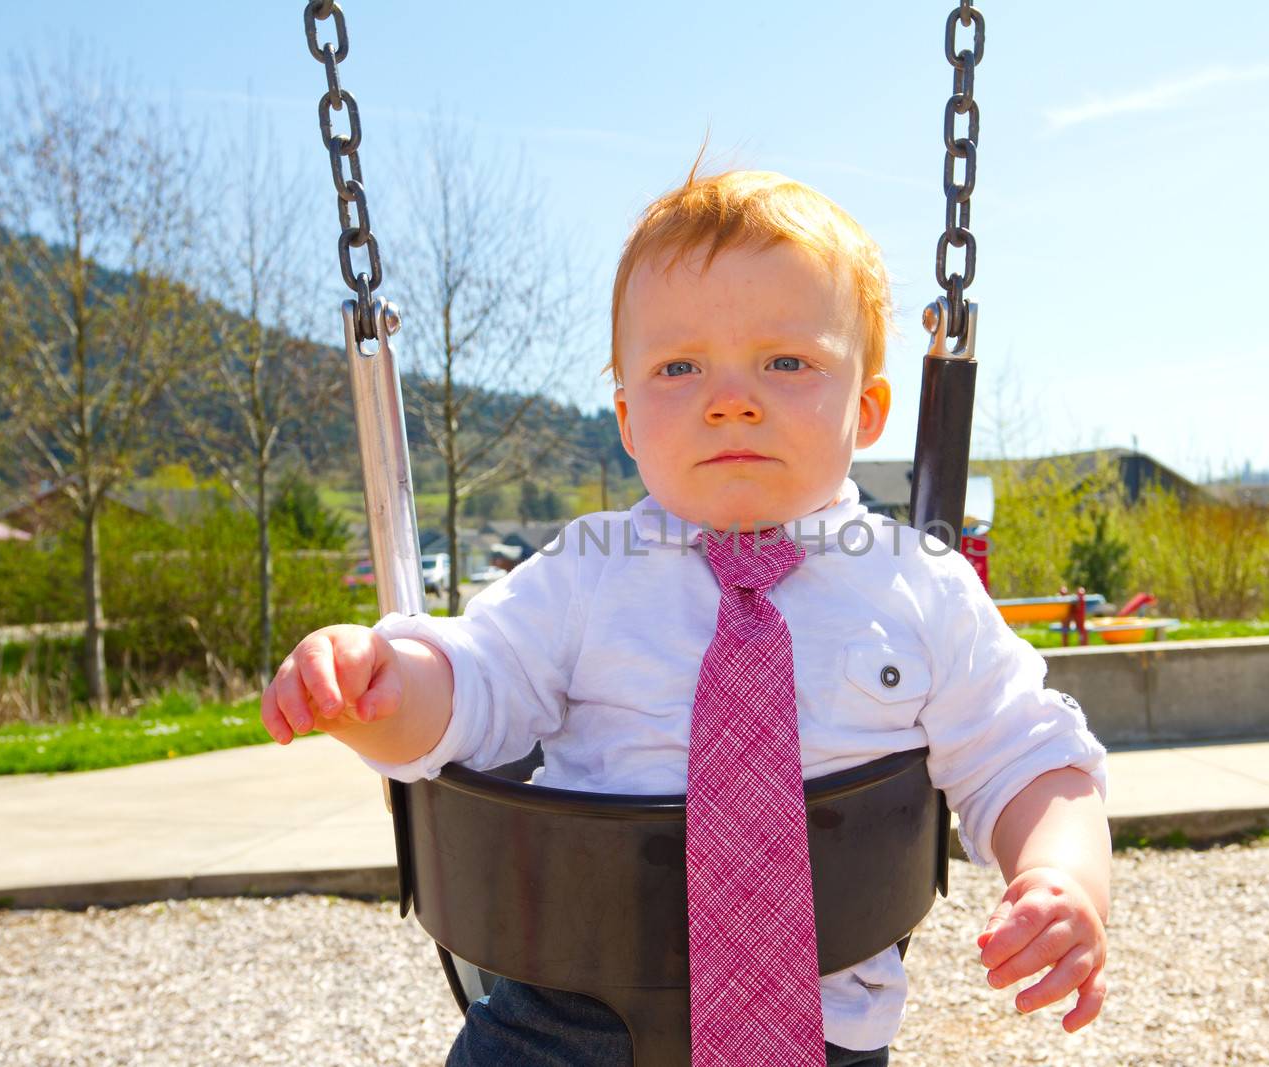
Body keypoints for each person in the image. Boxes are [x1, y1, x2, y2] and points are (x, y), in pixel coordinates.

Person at [262, 167, 1112, 1066]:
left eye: (787, 361)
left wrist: (1062, 877)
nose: (729, 398)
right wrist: (385, 685)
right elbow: (477, 683)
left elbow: (1027, 754)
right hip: (564, 1015)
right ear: (628, 419)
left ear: (865, 412)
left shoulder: (921, 586)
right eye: (679, 367)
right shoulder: (586, 572)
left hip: (821, 1031)